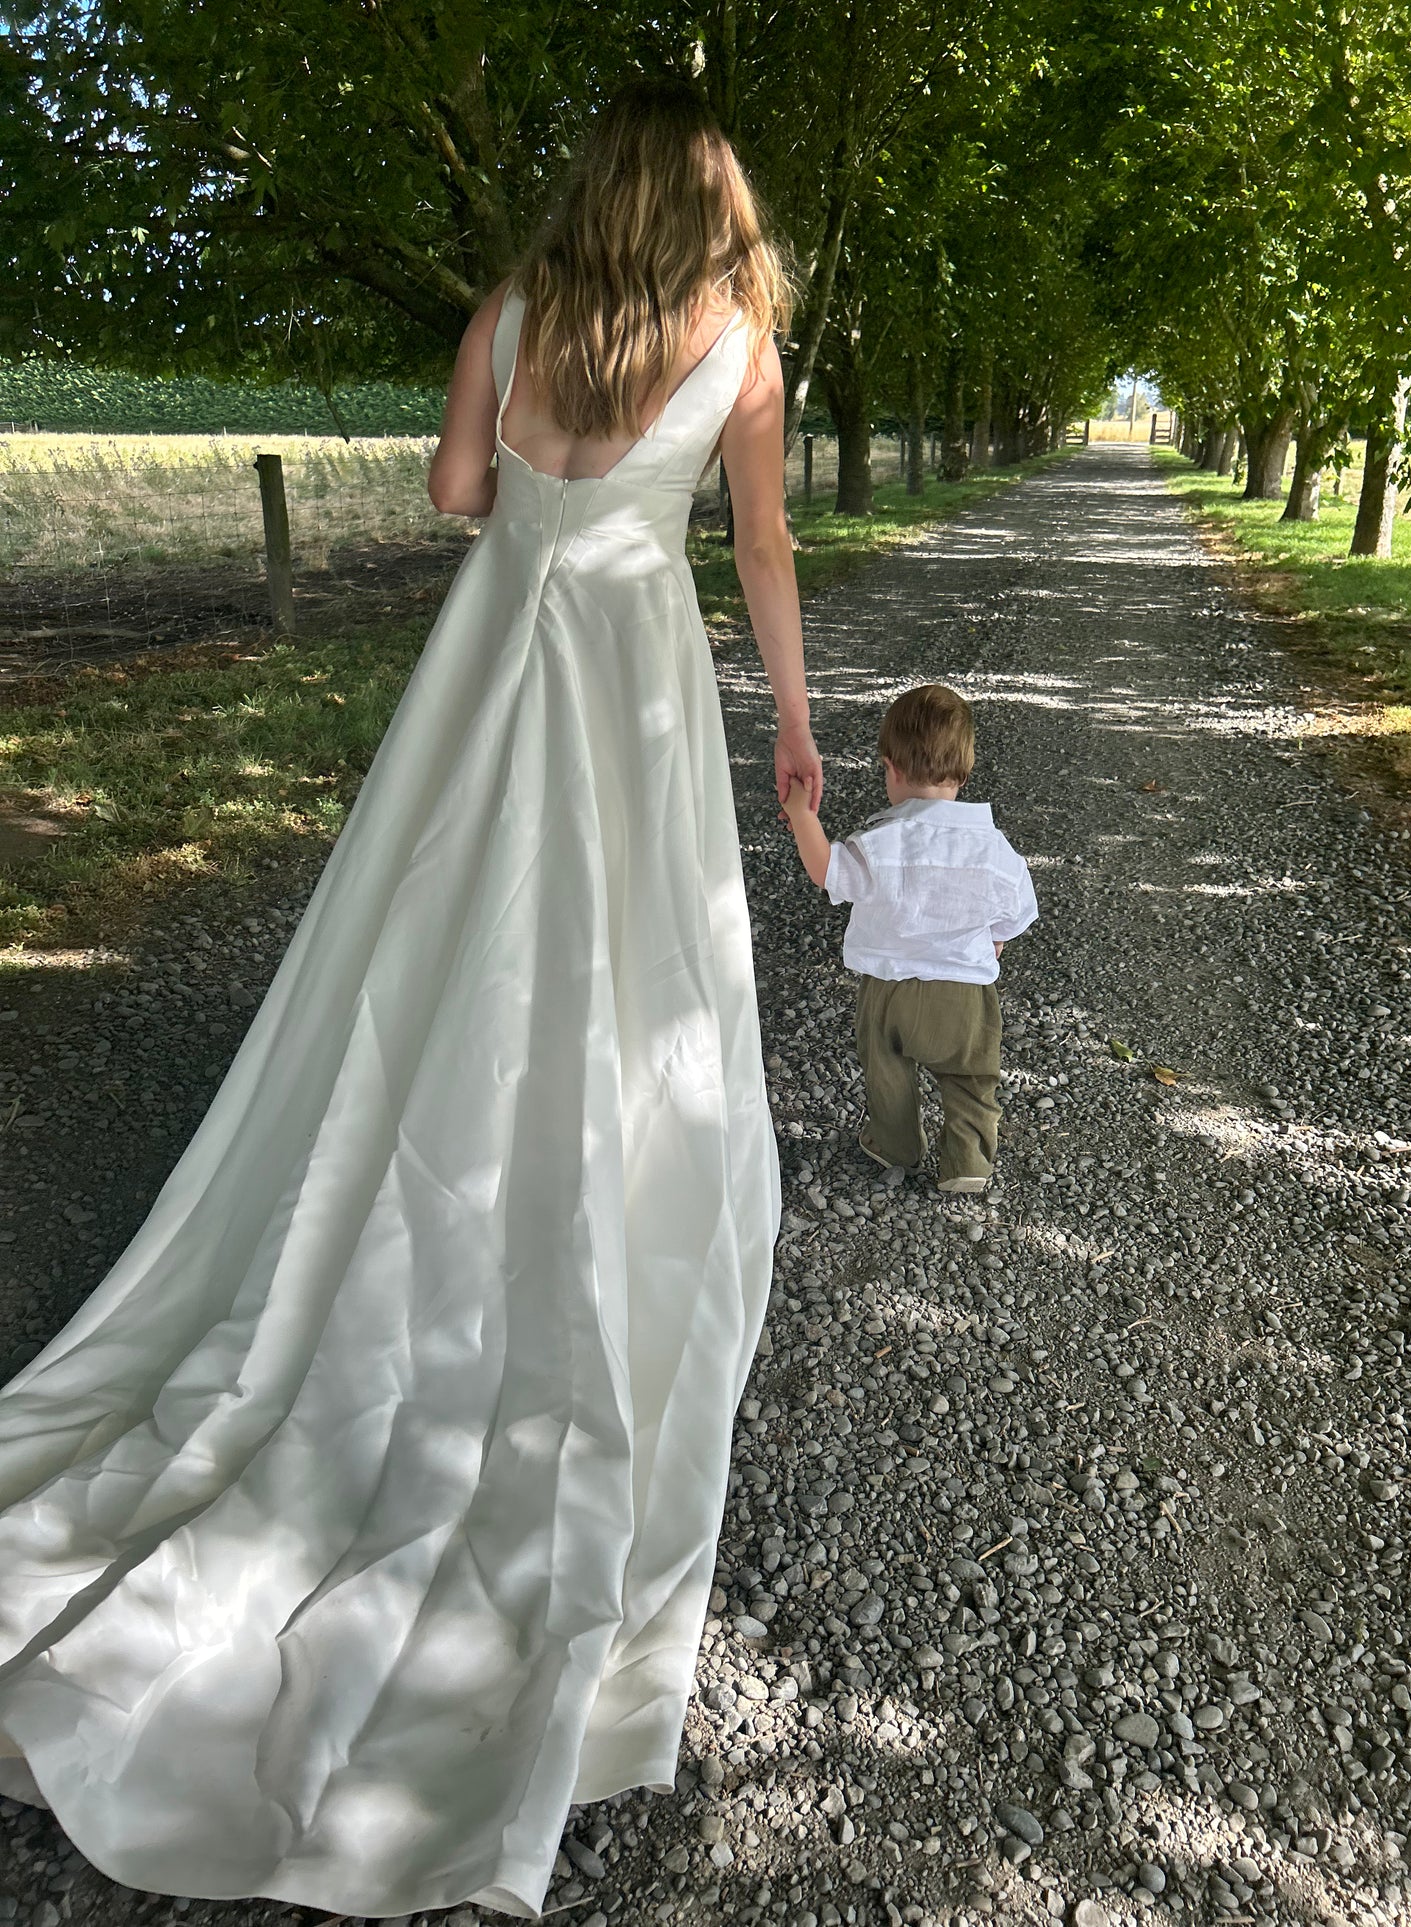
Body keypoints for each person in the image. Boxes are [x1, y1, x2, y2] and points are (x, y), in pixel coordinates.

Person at [0, 81, 818, 1920]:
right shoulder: (739, 339)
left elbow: (459, 492)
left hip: (492, 681)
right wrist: (796, 732)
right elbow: (759, 548)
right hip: (635, 696)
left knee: (422, 963)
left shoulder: (511, 316)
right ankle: (589, 1223)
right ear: (712, 205)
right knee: (628, 992)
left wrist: (527, 495)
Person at [780, 682, 1034, 1194]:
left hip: (889, 991)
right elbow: (1017, 911)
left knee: (887, 1072)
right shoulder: (995, 849)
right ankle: (968, 1160)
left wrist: (802, 815)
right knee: (970, 1079)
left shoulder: (878, 844)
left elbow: (827, 870)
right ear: (964, 770)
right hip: (964, 994)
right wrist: (996, 940)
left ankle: (894, 1142)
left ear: (890, 767)